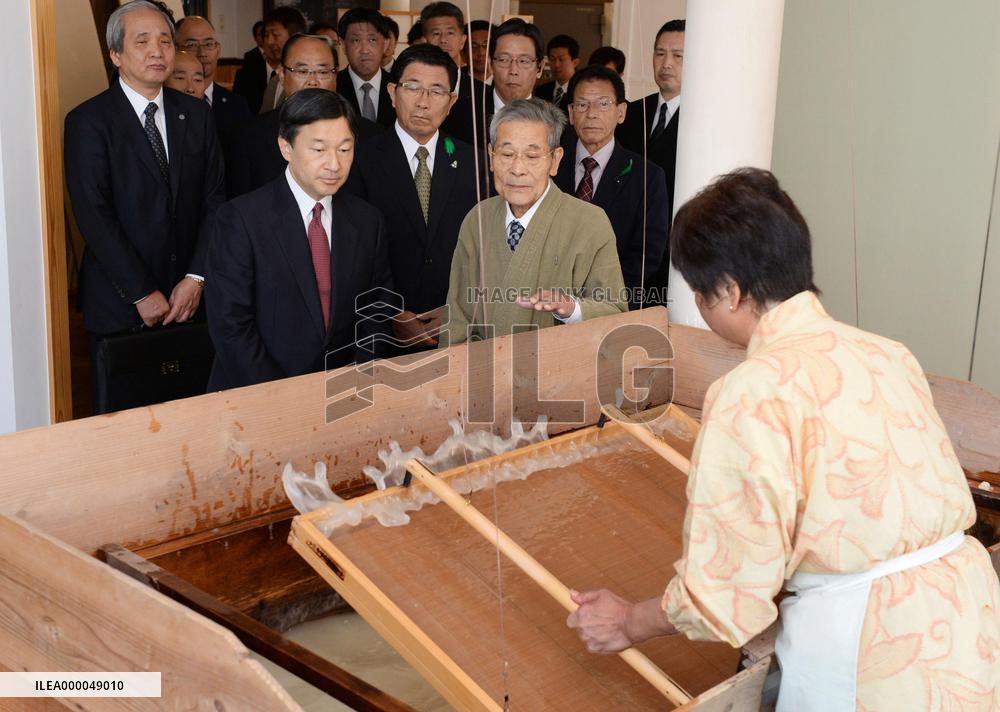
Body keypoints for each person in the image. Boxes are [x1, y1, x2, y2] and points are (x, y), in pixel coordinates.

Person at [567, 168, 1000, 711]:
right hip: (966, 619)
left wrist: (629, 620)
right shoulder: (888, 352)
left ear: (728, 290)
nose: (699, 306)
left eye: (699, 293)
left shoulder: (751, 392)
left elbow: (722, 594)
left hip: (870, 645)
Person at [64, 0, 224, 412]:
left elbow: (214, 201)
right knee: (124, 428)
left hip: (189, 299)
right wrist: (140, 292)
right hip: (121, 303)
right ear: (115, 54)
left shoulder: (197, 116)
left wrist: (196, 278)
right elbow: (93, 214)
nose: (158, 51)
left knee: (190, 421)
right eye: (142, 41)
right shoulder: (89, 121)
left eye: (165, 40)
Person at [205, 89, 393, 390]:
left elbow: (376, 308)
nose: (334, 164)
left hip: (345, 396)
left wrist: (356, 378)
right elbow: (231, 325)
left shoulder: (368, 221)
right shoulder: (241, 219)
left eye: (345, 149)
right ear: (286, 147)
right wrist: (283, 398)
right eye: (319, 150)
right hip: (257, 398)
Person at [442, 99, 626, 345]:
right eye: (507, 154)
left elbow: (614, 311)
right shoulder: (478, 218)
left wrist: (573, 309)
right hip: (482, 375)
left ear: (555, 160)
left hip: (556, 375)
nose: (517, 169)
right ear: (491, 155)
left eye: (532, 156)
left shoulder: (590, 222)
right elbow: (456, 317)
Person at [345, 44, 484, 353]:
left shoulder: (475, 162)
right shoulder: (359, 159)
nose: (423, 102)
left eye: (436, 92)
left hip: (456, 329)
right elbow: (353, 252)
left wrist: (459, 309)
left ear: (451, 103)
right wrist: (392, 312)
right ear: (392, 93)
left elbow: (485, 249)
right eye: (413, 88)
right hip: (378, 331)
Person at [555, 66, 668, 310]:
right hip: (549, 302)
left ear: (621, 112)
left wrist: (597, 303)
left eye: (603, 104)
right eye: (582, 105)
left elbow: (647, 255)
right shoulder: (551, 165)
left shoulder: (647, 176)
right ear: (571, 113)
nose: (592, 114)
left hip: (613, 306)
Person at [227, 33, 378, 199]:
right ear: (282, 76)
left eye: (323, 71)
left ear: (336, 76)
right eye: (302, 71)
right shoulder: (249, 137)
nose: (313, 81)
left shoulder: (369, 135)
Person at [615, 19, 683, 307]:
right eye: (659, 53)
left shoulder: (706, 121)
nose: (666, 63)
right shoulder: (631, 113)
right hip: (626, 253)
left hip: (674, 256)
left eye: (678, 56)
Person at [420, 2, 489, 148]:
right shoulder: (414, 90)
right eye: (436, 33)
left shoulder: (484, 93)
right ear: (425, 40)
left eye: (450, 33)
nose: (443, 40)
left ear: (463, 40)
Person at [175, 16, 250, 141]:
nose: (202, 53)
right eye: (192, 45)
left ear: (218, 49)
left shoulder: (237, 106)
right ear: (174, 49)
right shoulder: (165, 102)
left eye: (209, 44)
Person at [336, 8, 396, 129]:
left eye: (372, 40)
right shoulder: (333, 87)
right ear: (343, 44)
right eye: (356, 40)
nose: (365, 50)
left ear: (385, 44)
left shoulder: (398, 86)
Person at [489, 18, 544, 113]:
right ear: (490, 65)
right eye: (504, 60)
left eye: (523, 61)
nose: (513, 71)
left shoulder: (553, 123)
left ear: (540, 68)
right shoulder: (460, 112)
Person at [535, 34, 579, 111]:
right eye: (552, 59)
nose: (556, 65)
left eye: (561, 59)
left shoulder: (580, 90)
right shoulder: (541, 91)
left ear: (575, 62)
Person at [235, 21, 267, 112]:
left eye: (266, 34)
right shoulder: (250, 56)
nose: (265, 38)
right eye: (261, 34)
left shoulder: (275, 54)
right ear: (255, 37)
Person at [467, 20, 494, 84]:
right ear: (462, 53)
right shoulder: (455, 82)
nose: (481, 53)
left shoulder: (507, 81)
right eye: (473, 46)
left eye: (486, 45)